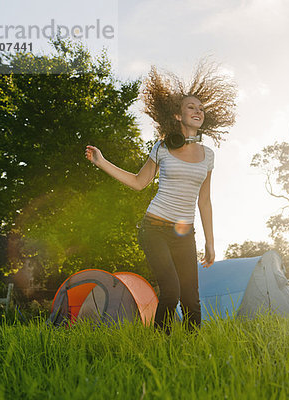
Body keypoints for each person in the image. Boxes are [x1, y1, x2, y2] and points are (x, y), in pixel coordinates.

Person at [85, 63, 236, 333]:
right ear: (178, 116)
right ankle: (159, 346)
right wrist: (102, 162)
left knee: (191, 299)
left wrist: (210, 242)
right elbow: (138, 182)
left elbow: (204, 201)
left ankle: (192, 352)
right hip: (154, 228)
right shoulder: (162, 147)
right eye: (191, 107)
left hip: (185, 233)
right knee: (171, 292)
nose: (198, 111)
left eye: (201, 108)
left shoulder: (208, 155)